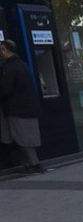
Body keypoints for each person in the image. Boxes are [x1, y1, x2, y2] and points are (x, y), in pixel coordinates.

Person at [0, 39, 43, 174]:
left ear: (4, 49)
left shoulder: (9, 68)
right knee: (25, 138)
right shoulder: (22, 64)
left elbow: (5, 89)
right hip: (26, 108)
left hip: (16, 110)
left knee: (23, 139)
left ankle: (34, 165)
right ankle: (30, 164)